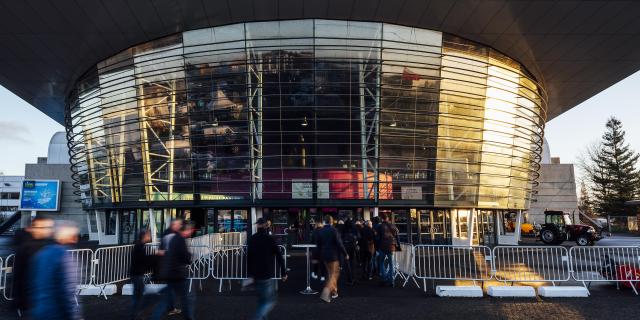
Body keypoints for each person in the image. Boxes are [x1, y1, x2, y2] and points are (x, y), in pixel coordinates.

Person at [29, 222, 82, 320]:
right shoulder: (65, 256)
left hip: (39, 311)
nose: (76, 238)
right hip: (58, 313)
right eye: (74, 235)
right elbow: (68, 291)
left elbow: (32, 284)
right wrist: (74, 314)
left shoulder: (41, 254)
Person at [247, 218, 288, 320]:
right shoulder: (270, 239)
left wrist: (249, 274)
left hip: (256, 276)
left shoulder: (252, 239)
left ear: (257, 226)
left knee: (262, 301)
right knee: (269, 302)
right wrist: (283, 273)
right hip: (266, 275)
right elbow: (279, 257)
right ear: (266, 226)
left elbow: (248, 258)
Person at [152, 221, 195, 320]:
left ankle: (155, 316)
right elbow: (186, 258)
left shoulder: (172, 238)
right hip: (179, 274)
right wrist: (189, 256)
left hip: (170, 273)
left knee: (165, 300)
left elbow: (166, 253)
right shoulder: (179, 239)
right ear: (187, 230)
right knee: (188, 298)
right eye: (190, 231)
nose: (190, 233)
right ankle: (188, 317)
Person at [12, 217, 54, 317]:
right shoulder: (27, 248)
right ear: (34, 228)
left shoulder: (48, 245)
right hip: (35, 299)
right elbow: (19, 276)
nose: (47, 230)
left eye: (49, 227)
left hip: (42, 299)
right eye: (43, 227)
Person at [316, 215, 348, 303]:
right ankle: (325, 294)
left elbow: (318, 244)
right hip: (333, 256)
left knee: (330, 275)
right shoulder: (334, 230)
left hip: (324, 256)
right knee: (334, 275)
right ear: (331, 221)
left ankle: (334, 292)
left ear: (324, 222)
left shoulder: (321, 231)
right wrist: (345, 254)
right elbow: (339, 243)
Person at [158, 219, 183, 316]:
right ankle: (169, 307)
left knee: (171, 288)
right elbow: (166, 251)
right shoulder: (172, 235)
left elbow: (161, 250)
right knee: (173, 289)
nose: (180, 226)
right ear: (174, 225)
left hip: (169, 267)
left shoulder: (167, 233)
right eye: (179, 224)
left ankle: (170, 307)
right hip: (171, 267)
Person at [130, 230, 155, 320]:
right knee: (139, 297)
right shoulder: (139, 247)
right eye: (148, 235)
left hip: (136, 274)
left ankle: (135, 315)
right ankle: (135, 315)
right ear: (144, 236)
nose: (150, 236)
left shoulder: (139, 245)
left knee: (137, 297)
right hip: (137, 275)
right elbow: (143, 260)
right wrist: (154, 256)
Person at [375, 214, 401, 287]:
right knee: (391, 264)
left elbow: (377, 238)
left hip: (382, 247)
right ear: (388, 218)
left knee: (381, 262)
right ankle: (391, 280)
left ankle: (384, 278)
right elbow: (397, 236)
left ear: (382, 219)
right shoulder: (393, 226)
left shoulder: (379, 227)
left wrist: (377, 248)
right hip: (392, 247)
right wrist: (398, 246)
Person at [339, 219, 358, 285]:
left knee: (347, 264)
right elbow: (358, 236)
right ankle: (353, 278)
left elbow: (340, 238)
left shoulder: (343, 229)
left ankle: (349, 279)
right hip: (353, 247)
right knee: (353, 263)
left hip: (346, 247)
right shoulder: (354, 228)